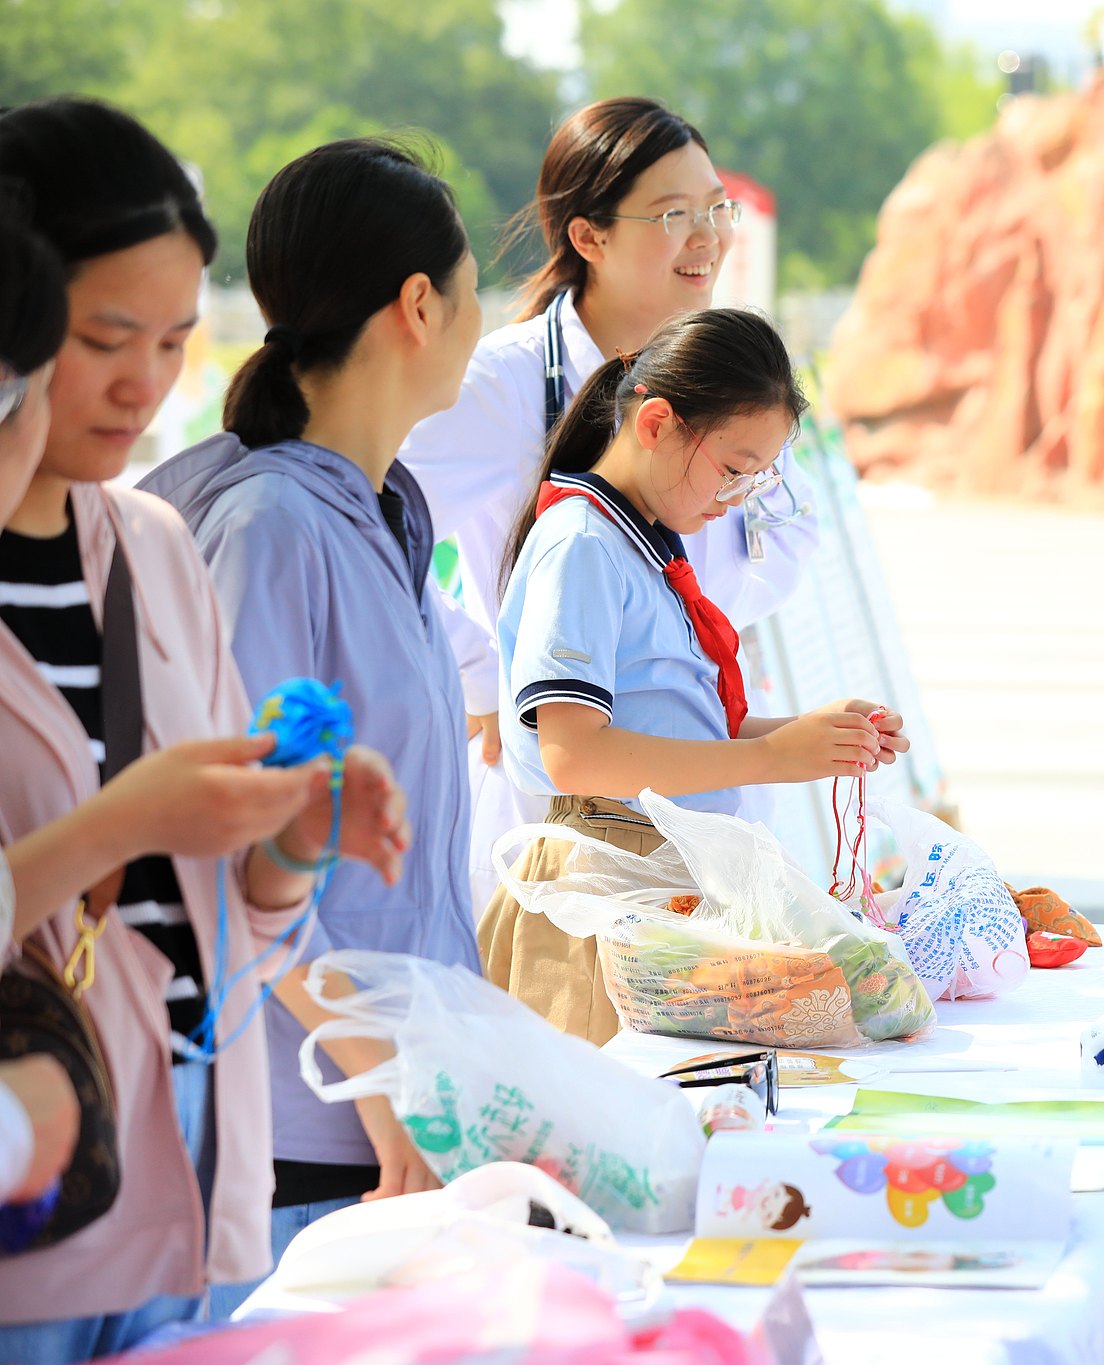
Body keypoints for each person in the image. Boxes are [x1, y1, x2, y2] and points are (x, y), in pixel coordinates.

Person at [0, 99, 407, 1361]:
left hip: (191, 1184)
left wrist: (291, 845)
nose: (143, 384)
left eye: (175, 340)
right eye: (102, 337)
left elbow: (220, 937)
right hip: (33, 1198)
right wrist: (119, 826)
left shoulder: (155, 547)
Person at [139, 137, 486, 1311]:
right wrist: (381, 1085)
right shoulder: (271, 527)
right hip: (320, 1126)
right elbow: (243, 847)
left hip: (406, 1109)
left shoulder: (383, 509)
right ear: (419, 305)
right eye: (474, 288)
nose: (481, 319)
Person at [397, 97, 820, 919]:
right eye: (674, 214)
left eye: (716, 208)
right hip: (579, 830)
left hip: (704, 799)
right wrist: (479, 671)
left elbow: (789, 532)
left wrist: (695, 649)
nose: (709, 237)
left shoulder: (727, 370)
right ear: (588, 236)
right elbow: (372, 529)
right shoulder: (502, 386)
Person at [482, 307, 903, 1045]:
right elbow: (573, 752)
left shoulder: (640, 543)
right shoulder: (582, 543)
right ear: (655, 424)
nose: (735, 499)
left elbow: (672, 726)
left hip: (653, 875)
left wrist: (816, 737)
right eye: (734, 470)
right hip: (607, 891)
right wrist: (768, 757)